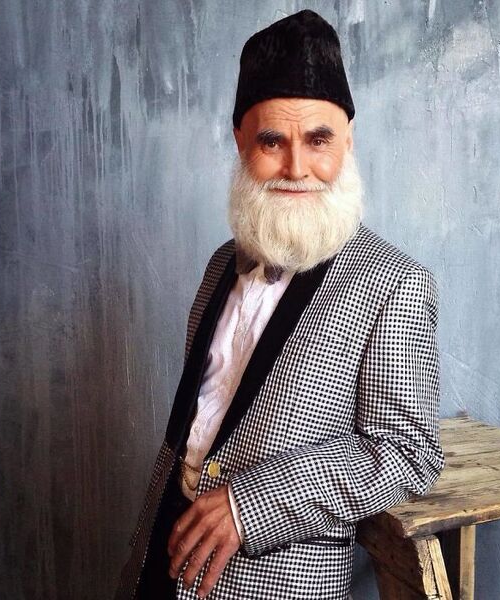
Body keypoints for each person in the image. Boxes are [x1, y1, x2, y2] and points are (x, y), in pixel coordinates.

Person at [115, 9, 444, 600]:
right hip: (163, 554)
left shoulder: (395, 282)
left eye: (319, 140)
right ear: (240, 141)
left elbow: (409, 454)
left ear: (347, 141)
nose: (296, 168)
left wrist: (249, 505)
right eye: (272, 141)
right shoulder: (221, 263)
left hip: (276, 582)